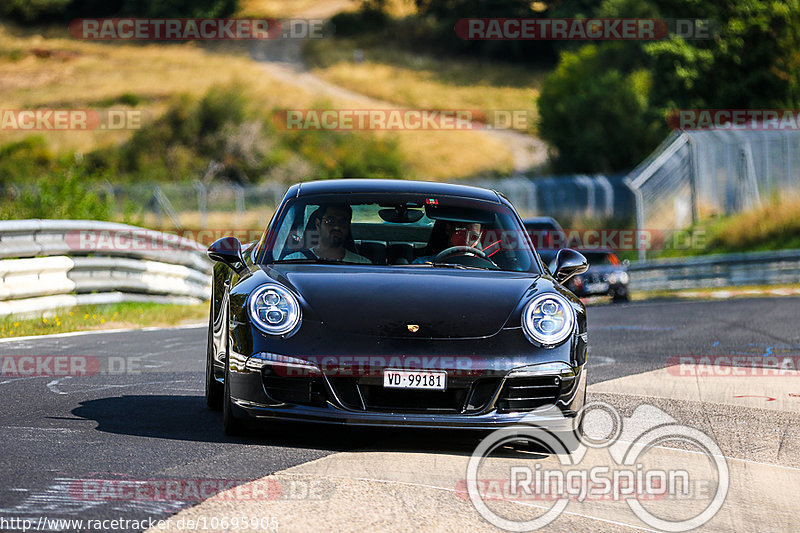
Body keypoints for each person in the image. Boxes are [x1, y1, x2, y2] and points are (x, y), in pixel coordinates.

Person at [285, 204, 370, 263]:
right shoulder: (293, 261)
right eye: (330, 221)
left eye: (343, 221)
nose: (337, 226)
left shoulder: (363, 265)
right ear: (318, 224)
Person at [413, 220, 483, 264]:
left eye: (473, 237)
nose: (466, 241)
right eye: (461, 234)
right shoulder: (422, 264)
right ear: (448, 230)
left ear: (479, 237)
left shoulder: (486, 267)